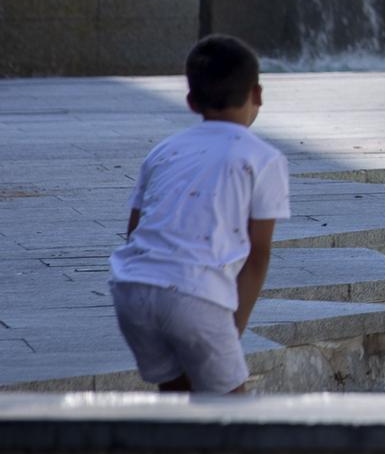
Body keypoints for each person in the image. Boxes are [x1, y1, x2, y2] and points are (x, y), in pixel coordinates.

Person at [109, 35, 290, 395]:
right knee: (231, 415)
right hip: (194, 295)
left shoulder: (163, 151)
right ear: (258, 94)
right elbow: (259, 254)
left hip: (131, 289)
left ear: (191, 101)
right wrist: (232, 331)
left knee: (176, 401)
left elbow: (134, 229)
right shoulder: (263, 158)